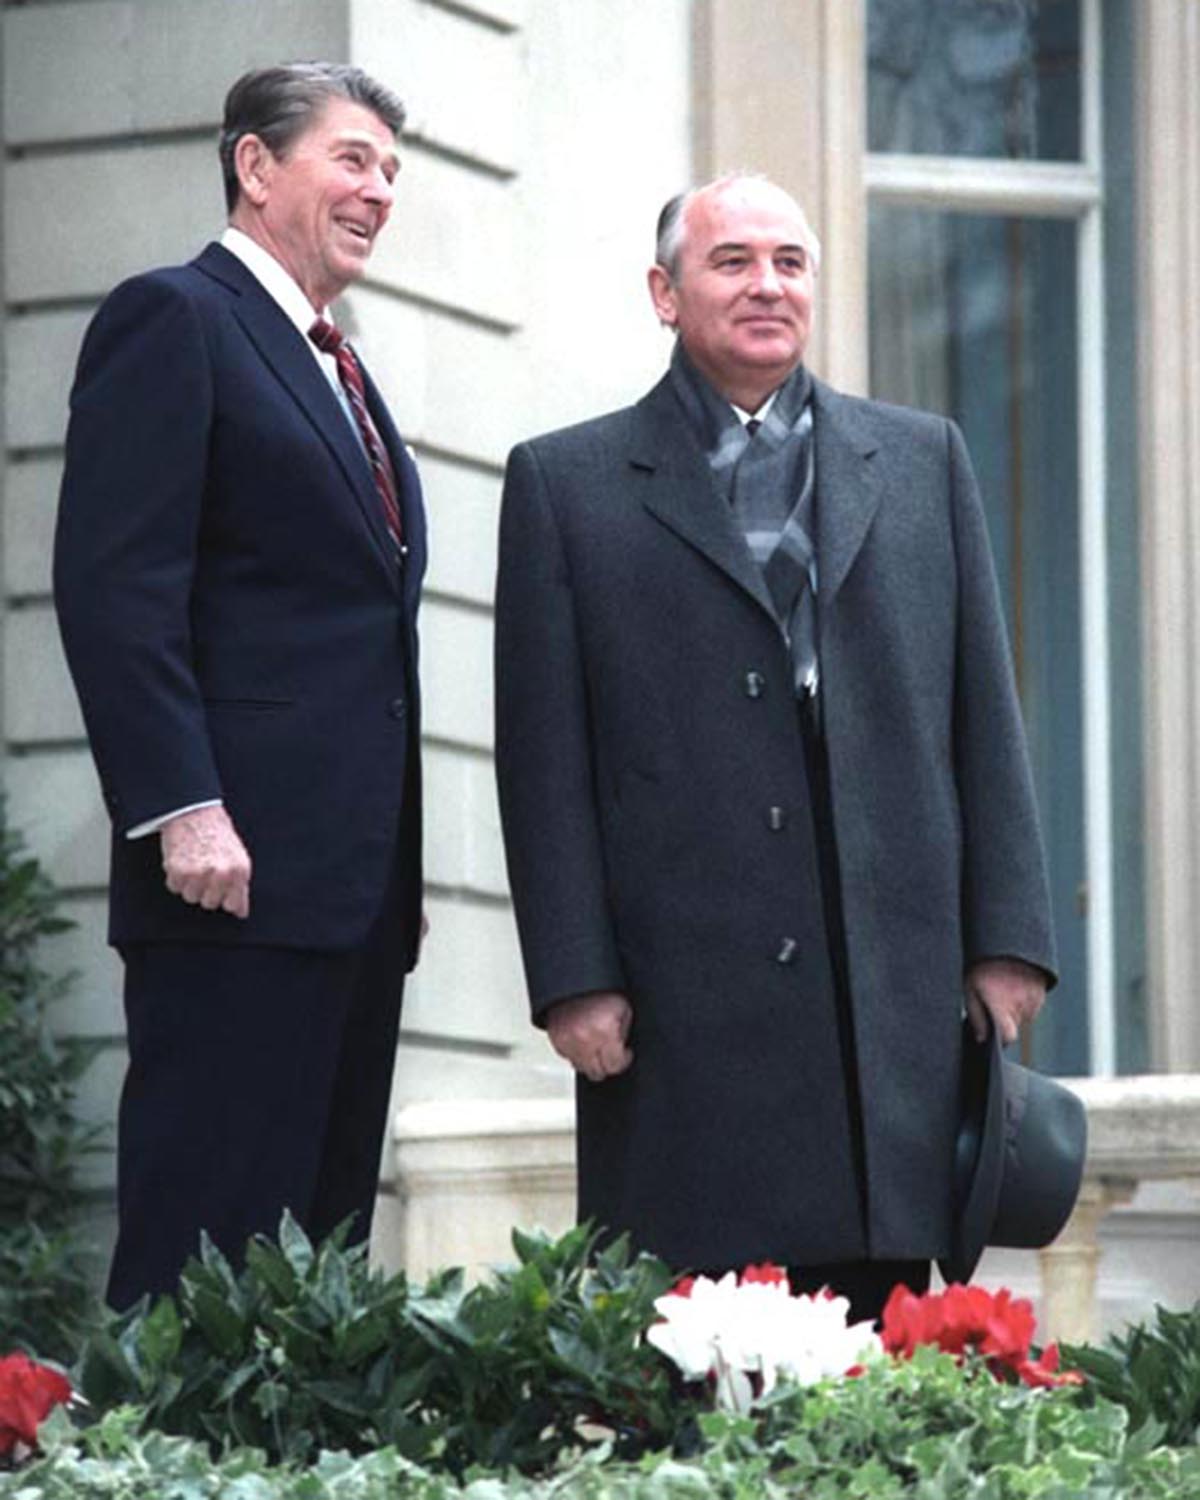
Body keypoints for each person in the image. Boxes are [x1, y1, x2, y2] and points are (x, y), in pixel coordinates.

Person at [493, 174, 1056, 1321]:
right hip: (679, 1011)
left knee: (879, 1388)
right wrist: (573, 977)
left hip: (887, 1008)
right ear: (665, 292)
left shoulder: (922, 460)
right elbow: (543, 761)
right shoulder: (565, 484)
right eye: (733, 261)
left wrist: (1009, 938)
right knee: (696, 1377)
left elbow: (982, 713)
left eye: (789, 262)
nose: (767, 285)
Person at [53, 63, 426, 1309]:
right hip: (228, 880)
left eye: (389, 168)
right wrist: (181, 804)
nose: (379, 190)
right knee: (198, 1260)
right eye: (352, 159)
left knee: (314, 1281)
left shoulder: (341, 368)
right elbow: (117, 586)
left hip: (350, 898)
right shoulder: (175, 317)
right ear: (254, 167)